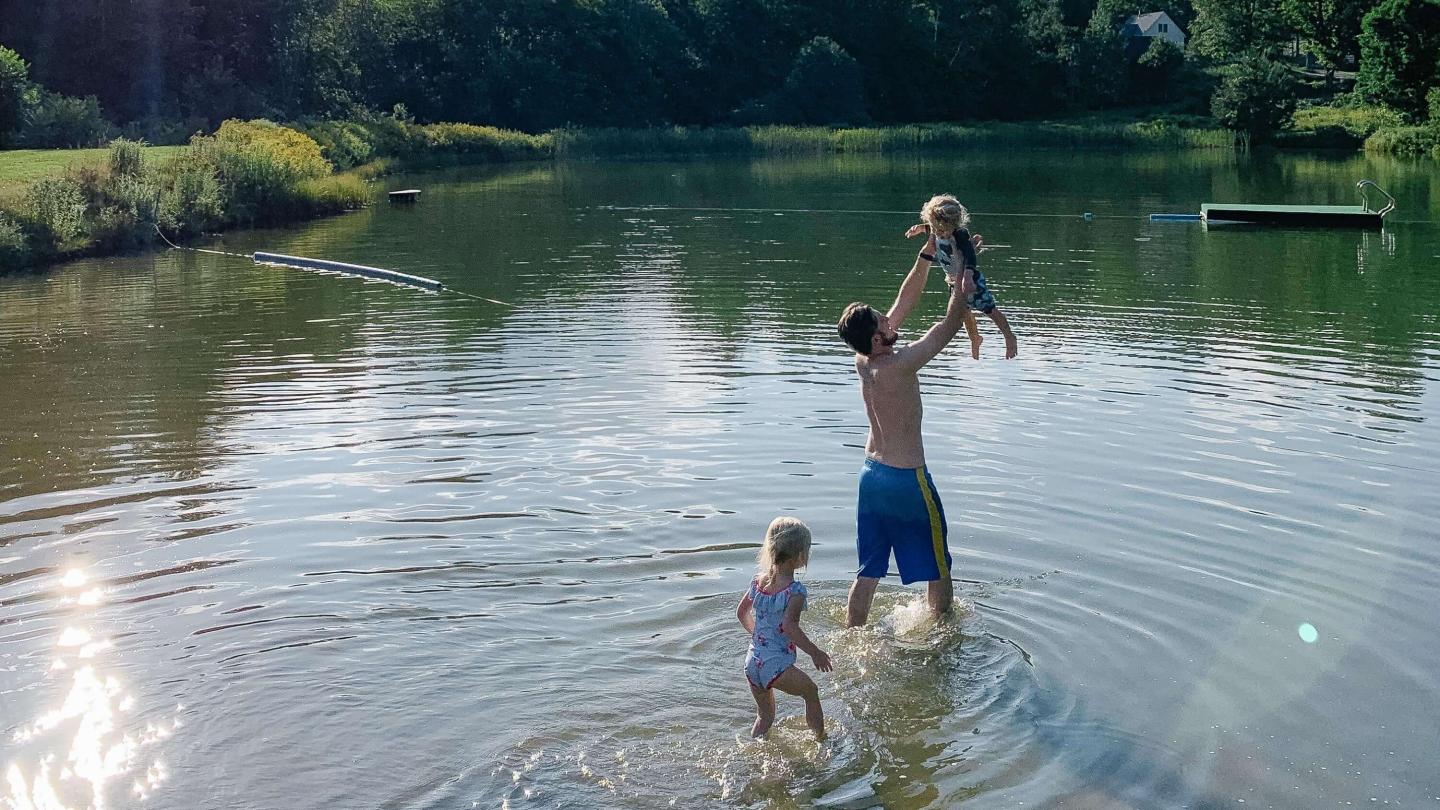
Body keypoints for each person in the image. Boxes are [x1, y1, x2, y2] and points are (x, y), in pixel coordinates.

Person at [835, 228, 975, 626]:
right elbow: (948, 326)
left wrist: (928, 256)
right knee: (939, 563)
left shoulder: (865, 361)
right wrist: (961, 274)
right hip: (905, 479)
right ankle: (944, 629)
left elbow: (904, 301)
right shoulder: (900, 365)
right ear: (877, 339)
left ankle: (854, 634)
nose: (891, 318)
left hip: (871, 475)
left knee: (870, 569)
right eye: (884, 322)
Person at [737, 517, 833, 739]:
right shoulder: (795, 592)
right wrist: (815, 653)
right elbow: (789, 627)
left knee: (765, 717)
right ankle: (821, 741)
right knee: (811, 692)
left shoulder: (758, 583)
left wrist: (758, 636)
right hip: (775, 665)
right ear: (800, 556)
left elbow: (741, 613)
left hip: (753, 662)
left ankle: (755, 748)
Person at [907, 194, 1018, 360]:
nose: (939, 234)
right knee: (963, 313)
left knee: (990, 310)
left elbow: (970, 255)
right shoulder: (937, 229)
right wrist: (920, 228)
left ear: (954, 225)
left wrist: (968, 274)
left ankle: (1009, 337)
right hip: (953, 282)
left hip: (970, 280)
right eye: (935, 229)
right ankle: (975, 338)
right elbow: (932, 228)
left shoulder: (960, 235)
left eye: (943, 231)